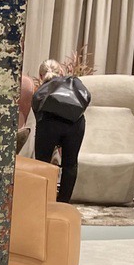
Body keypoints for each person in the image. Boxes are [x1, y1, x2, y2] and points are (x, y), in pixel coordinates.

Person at [32, 58, 91, 203]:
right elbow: (86, 98)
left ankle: (43, 201)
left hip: (48, 124)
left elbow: (37, 113)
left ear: (41, 76)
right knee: (70, 165)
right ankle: (63, 202)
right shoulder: (73, 82)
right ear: (61, 72)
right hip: (75, 123)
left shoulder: (41, 92)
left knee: (42, 163)